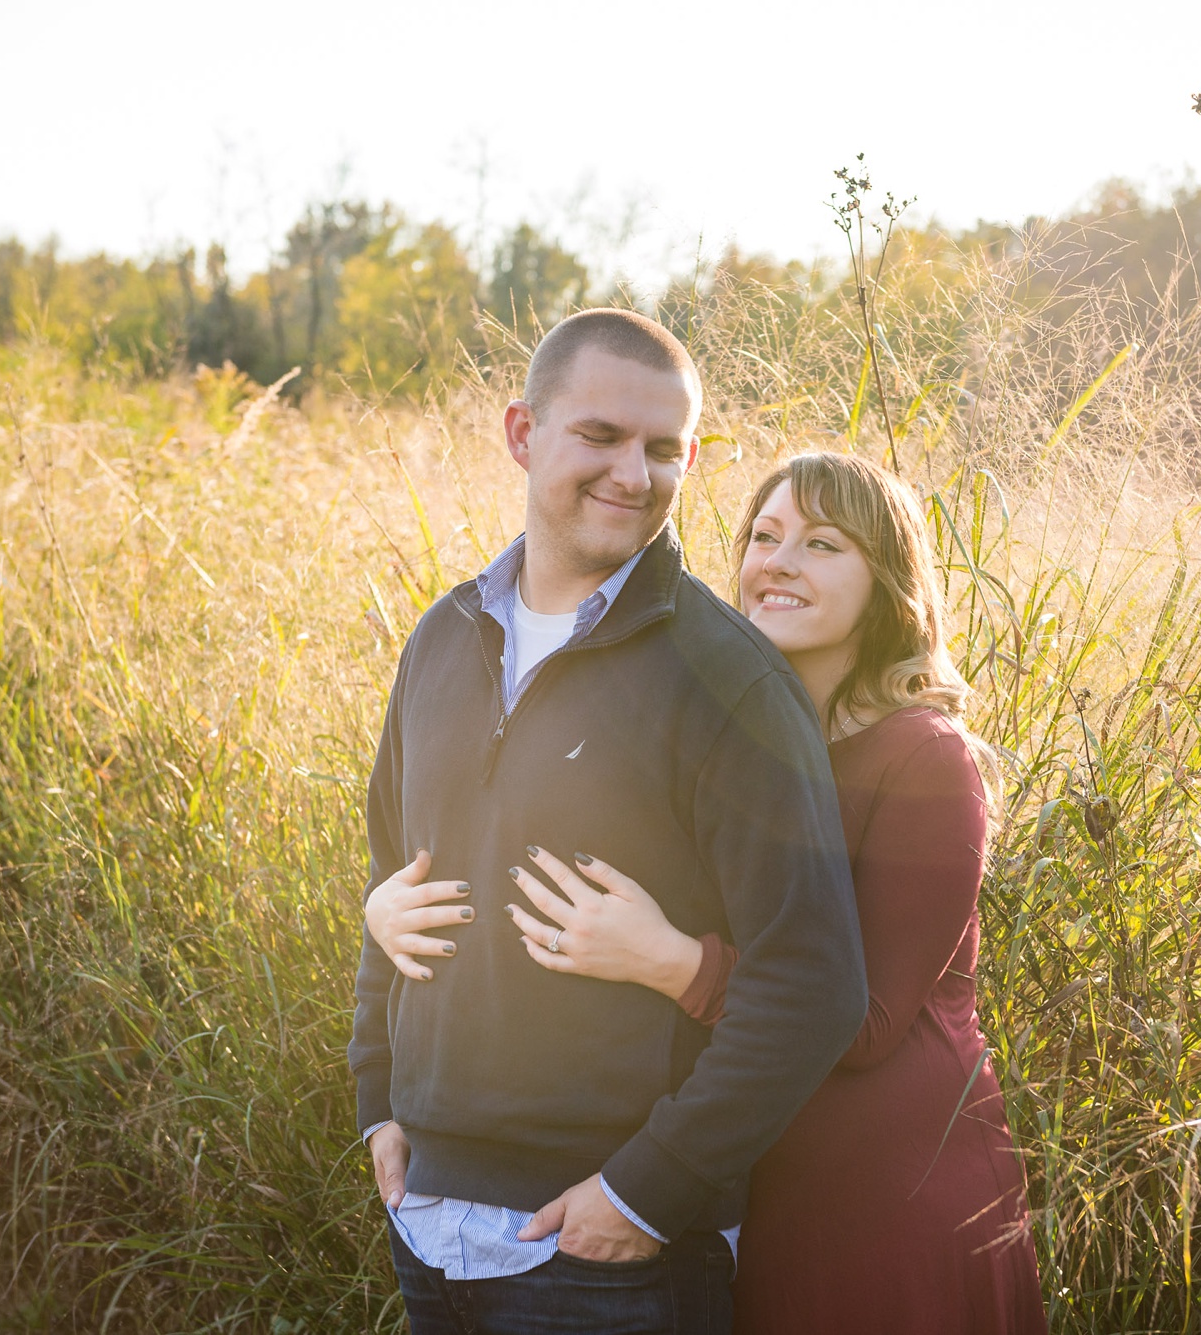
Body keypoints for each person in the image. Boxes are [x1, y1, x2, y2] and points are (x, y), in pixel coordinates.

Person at [368, 451, 1050, 1334]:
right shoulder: (723, 718)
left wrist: (675, 963)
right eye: (765, 536)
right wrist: (383, 909)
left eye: (822, 543)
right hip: (744, 1162)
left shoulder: (924, 756)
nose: (780, 561)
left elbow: (866, 1016)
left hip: (879, 1177)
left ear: (887, 584)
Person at [348, 309, 868, 1335]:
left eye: (663, 449)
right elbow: (388, 892)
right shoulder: (440, 642)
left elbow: (814, 984)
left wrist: (647, 1190)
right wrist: (377, 1101)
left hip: (608, 1262)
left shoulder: (726, 680)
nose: (634, 474)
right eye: (601, 436)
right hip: (429, 1225)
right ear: (521, 433)